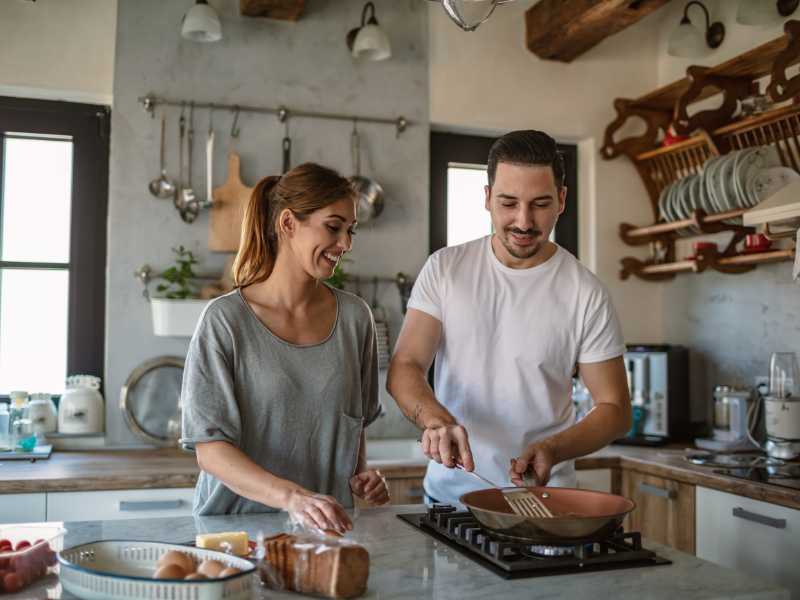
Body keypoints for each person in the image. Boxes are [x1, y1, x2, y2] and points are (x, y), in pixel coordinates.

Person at [387, 130, 631, 505]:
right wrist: (437, 421)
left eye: (540, 204)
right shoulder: (445, 269)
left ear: (562, 200)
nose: (523, 221)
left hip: (543, 501)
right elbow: (406, 364)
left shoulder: (585, 292)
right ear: (486, 198)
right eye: (508, 203)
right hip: (451, 501)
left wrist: (555, 448)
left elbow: (614, 408)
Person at [181, 162, 389, 532]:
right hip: (233, 533)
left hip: (324, 531)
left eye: (350, 230)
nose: (345, 244)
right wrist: (293, 498)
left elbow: (353, 424)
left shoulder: (357, 319)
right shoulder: (225, 321)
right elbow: (210, 451)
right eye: (333, 227)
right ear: (289, 223)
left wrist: (360, 474)